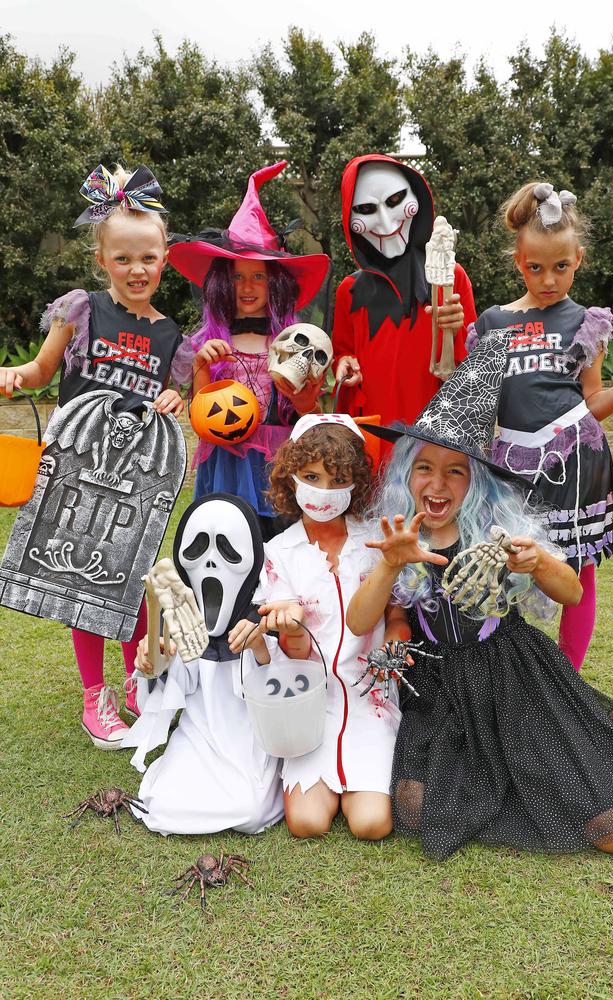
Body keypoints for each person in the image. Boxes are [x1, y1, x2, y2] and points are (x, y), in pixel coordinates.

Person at [346, 333, 613, 860]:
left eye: (455, 471)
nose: (437, 483)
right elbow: (368, 620)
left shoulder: (501, 530)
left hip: (512, 676)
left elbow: (572, 592)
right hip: (438, 685)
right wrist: (391, 573)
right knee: (416, 811)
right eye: (425, 467)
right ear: (406, 472)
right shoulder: (398, 533)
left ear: (477, 480)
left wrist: (540, 562)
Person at [0, 163, 192, 749]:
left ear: (165, 258)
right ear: (101, 260)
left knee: (128, 576)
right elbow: (40, 369)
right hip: (76, 470)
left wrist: (177, 394)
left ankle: (139, 682)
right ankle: (94, 697)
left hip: (134, 477)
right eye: (124, 258)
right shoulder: (82, 309)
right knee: (80, 582)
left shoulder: (170, 336)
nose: (137, 270)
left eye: (149, 258)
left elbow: (183, 398)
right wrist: (14, 374)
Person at [467, 182, 613, 670]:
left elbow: (592, 401)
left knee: (578, 571)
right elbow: (477, 404)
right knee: (502, 566)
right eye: (535, 267)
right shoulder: (493, 322)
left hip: (575, 462)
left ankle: (568, 680)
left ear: (579, 259)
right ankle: (502, 675)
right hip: (509, 468)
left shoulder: (586, 321)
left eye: (561, 267)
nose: (549, 279)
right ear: (518, 262)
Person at [229, 413, 399, 841]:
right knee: (307, 823)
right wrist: (291, 629)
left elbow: (397, 615)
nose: (324, 491)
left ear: (358, 483)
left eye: (338, 479)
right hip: (306, 705)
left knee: (371, 824)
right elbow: (296, 654)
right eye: (311, 476)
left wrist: (395, 647)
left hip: (369, 697)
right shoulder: (278, 554)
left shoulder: (377, 543)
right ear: (290, 476)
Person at [168, 161, 331, 540]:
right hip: (227, 463)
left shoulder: (293, 344)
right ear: (222, 284)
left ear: (275, 283)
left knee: (279, 549)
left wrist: (305, 399)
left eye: (258, 275)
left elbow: (311, 417)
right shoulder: (207, 345)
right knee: (228, 547)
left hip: (279, 463)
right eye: (237, 276)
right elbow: (202, 415)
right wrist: (203, 366)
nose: (247, 286)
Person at [122, 494, 284, 836]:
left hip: (251, 739)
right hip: (198, 734)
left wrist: (258, 645)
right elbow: (171, 687)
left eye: (226, 549)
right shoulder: (180, 614)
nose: (211, 563)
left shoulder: (267, 610)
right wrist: (155, 663)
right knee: (165, 805)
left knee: (250, 810)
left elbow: (279, 688)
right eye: (198, 548)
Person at [331, 154, 476, 438]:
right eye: (366, 208)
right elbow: (344, 354)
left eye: (395, 201)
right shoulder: (349, 291)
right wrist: (344, 364)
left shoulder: (451, 276)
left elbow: (474, 368)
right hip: (374, 436)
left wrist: (457, 330)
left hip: (435, 439)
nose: (385, 223)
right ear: (350, 219)